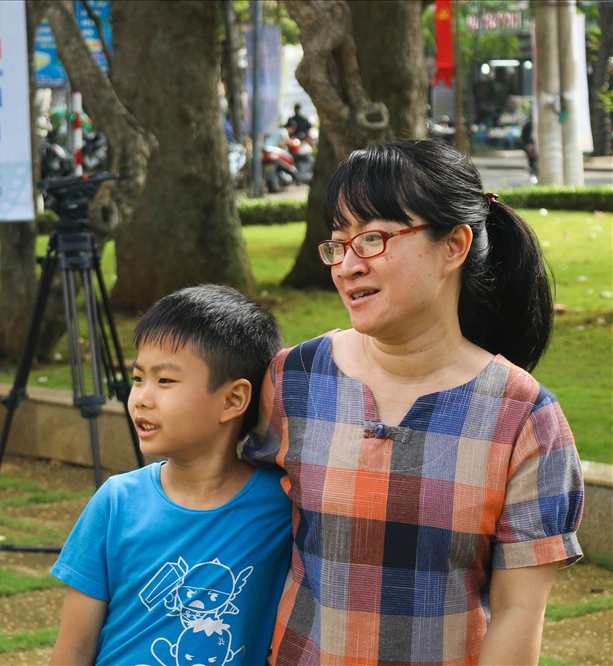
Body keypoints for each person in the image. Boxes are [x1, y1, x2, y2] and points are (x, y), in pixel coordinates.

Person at [242, 139, 584, 665]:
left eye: (373, 239)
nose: (347, 266)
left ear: (454, 246)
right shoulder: (294, 379)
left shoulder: (525, 418)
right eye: (337, 244)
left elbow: (519, 612)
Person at [50, 284, 293, 666]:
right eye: (137, 378)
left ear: (232, 400)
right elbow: (75, 649)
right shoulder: (117, 502)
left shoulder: (280, 506)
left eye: (164, 381)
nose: (142, 398)